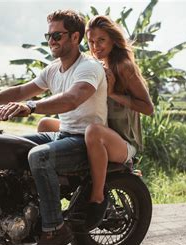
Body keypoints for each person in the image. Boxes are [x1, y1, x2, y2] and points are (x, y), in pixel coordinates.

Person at [0, 10, 108, 245]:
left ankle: (54, 227)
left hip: (84, 141)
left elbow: (72, 98)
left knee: (38, 156)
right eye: (48, 35)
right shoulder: (54, 69)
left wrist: (32, 107)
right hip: (63, 135)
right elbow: (23, 90)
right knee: (11, 147)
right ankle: (18, 205)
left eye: (57, 35)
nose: (51, 41)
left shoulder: (89, 67)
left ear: (75, 37)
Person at [38, 15, 154, 229]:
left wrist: (113, 93)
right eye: (91, 41)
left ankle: (97, 197)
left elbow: (148, 107)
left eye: (101, 40)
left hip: (121, 139)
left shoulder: (123, 66)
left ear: (112, 40)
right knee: (46, 124)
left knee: (93, 131)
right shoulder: (94, 66)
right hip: (100, 132)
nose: (96, 46)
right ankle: (61, 185)